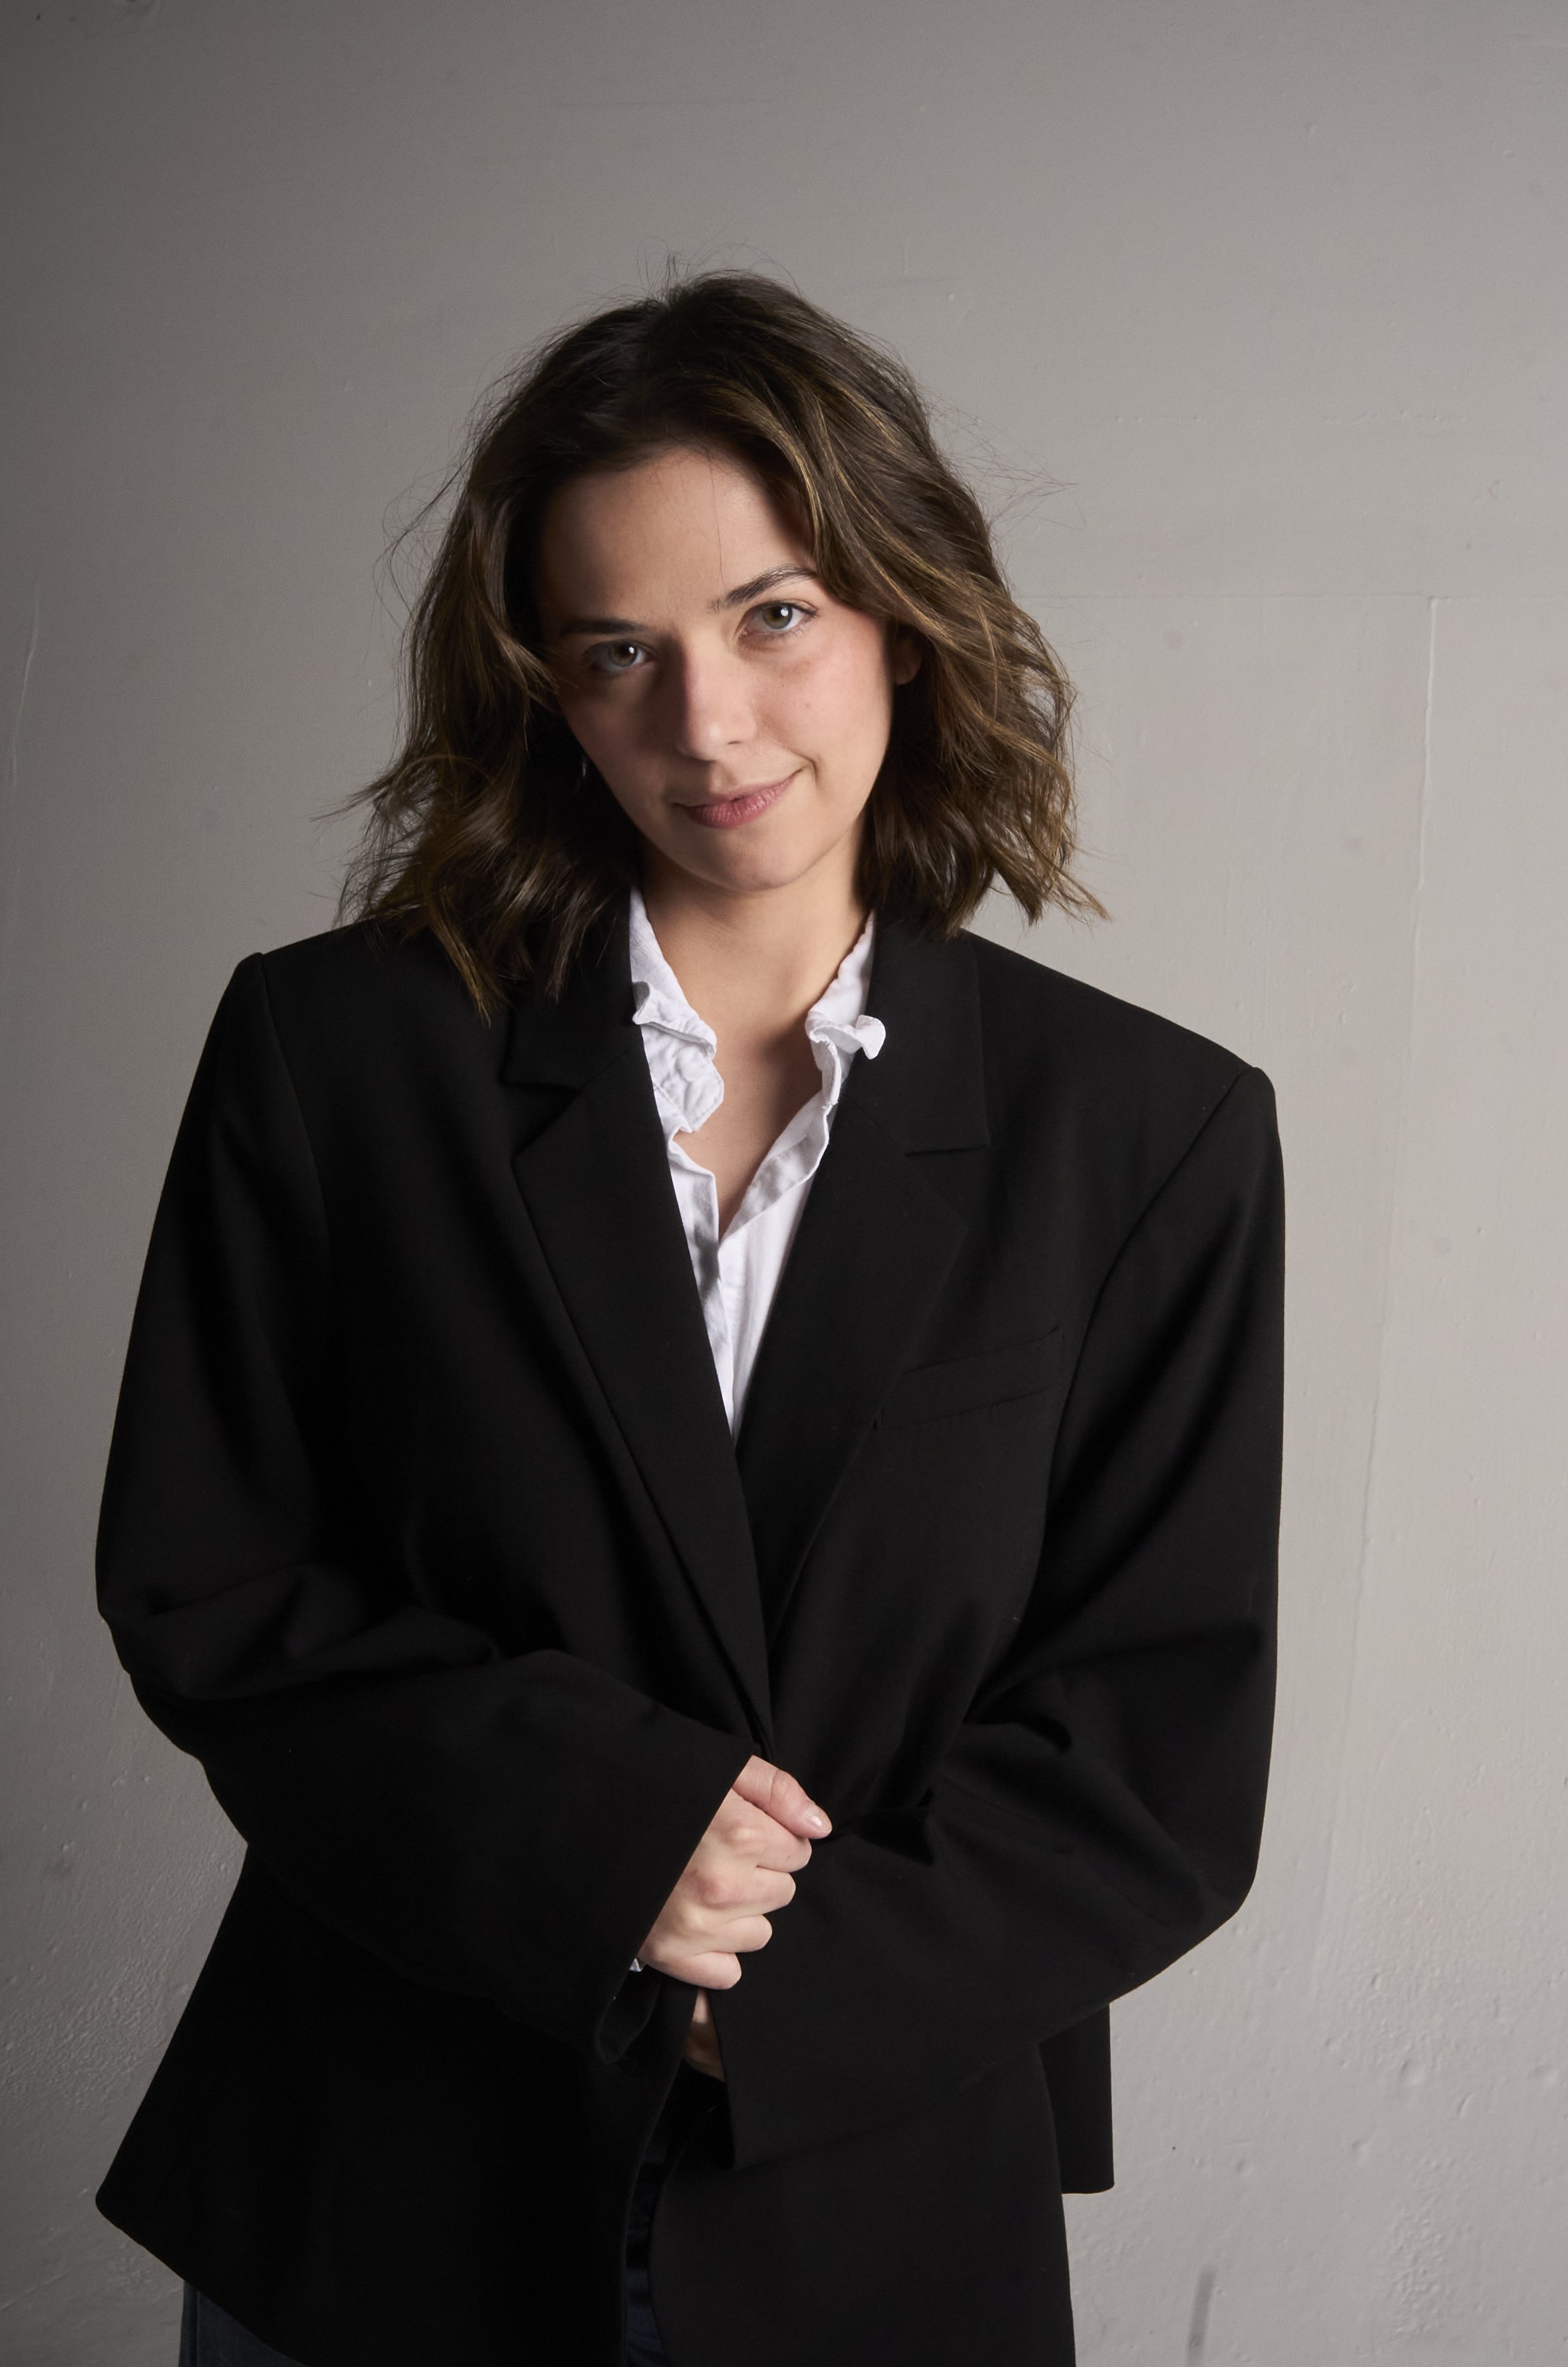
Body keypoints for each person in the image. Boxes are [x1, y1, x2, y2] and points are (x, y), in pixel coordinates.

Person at [95, 272, 1284, 2367]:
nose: (707, 726)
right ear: (545, 689)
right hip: (381, 2167)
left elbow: (1150, 1740)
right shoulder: (336, 1052)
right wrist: (597, 1838)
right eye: (616, 650)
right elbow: (210, 1583)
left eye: (773, 615)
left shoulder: (1151, 1131)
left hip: (877, 2188)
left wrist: (778, 2004)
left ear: (902, 608)